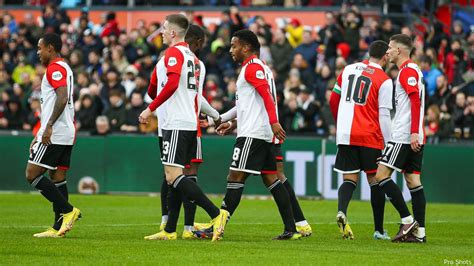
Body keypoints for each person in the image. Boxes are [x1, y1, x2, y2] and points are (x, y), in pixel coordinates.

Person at [138, 14, 228, 242]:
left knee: (173, 175)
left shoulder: (173, 53)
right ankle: (170, 230)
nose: (161, 32)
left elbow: (171, 84)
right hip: (189, 123)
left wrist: (150, 109)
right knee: (174, 176)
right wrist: (216, 117)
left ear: (173, 33)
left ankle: (216, 214)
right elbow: (195, 94)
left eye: (164, 28)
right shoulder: (194, 59)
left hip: (176, 122)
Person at [212, 29, 302, 240]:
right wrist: (224, 120)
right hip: (261, 132)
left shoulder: (252, 68)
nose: (231, 50)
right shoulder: (260, 69)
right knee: (272, 178)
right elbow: (248, 105)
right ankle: (291, 229)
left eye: (234, 46)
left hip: (253, 134)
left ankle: (218, 225)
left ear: (246, 47)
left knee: (234, 177)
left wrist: (274, 122)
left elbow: (267, 97)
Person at [329, 40, 393, 240]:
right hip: (369, 135)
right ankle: (379, 230)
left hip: (346, 133)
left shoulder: (348, 69)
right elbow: (383, 116)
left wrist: (340, 122)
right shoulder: (384, 79)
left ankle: (341, 211)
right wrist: (389, 142)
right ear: (385, 57)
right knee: (375, 180)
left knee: (349, 179)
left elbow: (333, 99)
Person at [26, 33, 81, 238]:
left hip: (55, 132)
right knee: (57, 176)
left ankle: (69, 211)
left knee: (32, 174)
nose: (38, 52)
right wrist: (41, 130)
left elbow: (62, 96)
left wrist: (47, 126)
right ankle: (58, 227)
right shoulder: (64, 67)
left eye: (40, 48)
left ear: (50, 48)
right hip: (65, 131)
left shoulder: (55, 68)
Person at [376, 34, 426, 243]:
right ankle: (420, 233)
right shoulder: (413, 71)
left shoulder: (407, 72)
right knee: (413, 180)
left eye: (389, 47)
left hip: (405, 135)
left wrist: (413, 131)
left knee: (381, 176)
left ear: (398, 51)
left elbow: (415, 102)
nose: (387, 51)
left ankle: (407, 221)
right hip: (414, 134)